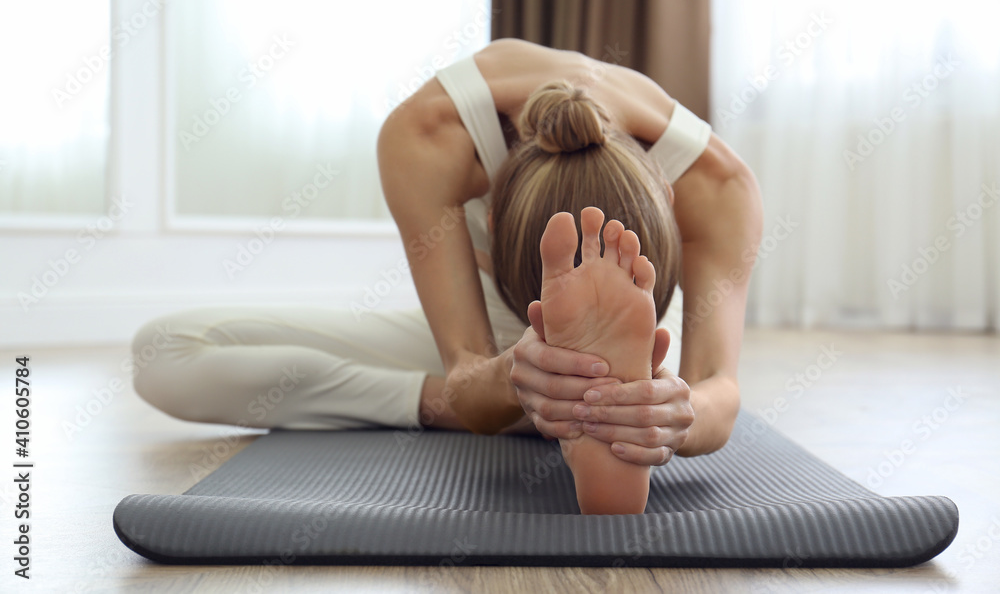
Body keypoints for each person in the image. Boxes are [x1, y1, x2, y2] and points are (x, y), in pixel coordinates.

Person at [131, 38, 763, 512]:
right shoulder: (427, 137)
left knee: (652, 378)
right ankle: (568, 401)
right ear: (492, 202)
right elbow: (466, 361)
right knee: (163, 354)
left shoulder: (719, 187)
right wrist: (500, 377)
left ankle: (596, 399)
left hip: (644, 343)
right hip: (498, 338)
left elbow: (719, 390)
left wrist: (677, 413)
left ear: (668, 204)